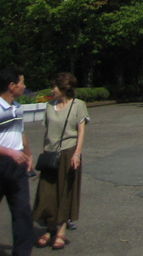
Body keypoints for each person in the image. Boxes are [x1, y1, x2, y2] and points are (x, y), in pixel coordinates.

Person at [32, 72, 90, 251]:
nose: (52, 90)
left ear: (65, 89)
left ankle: (61, 230)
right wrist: (44, 152)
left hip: (69, 152)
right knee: (47, 193)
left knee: (65, 191)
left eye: (55, 87)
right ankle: (50, 228)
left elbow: (81, 131)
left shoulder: (78, 105)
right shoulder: (49, 106)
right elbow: (47, 132)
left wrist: (77, 154)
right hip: (50, 153)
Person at [0, 66, 33, 256]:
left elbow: (21, 132)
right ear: (12, 86)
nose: (24, 86)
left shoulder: (18, 108)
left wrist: (28, 154)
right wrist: (9, 153)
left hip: (17, 166)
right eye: (21, 82)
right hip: (2, 162)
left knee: (22, 212)